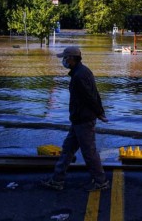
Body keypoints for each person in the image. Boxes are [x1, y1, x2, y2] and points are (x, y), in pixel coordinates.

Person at [42, 46, 109, 191]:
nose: (64, 61)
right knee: (67, 150)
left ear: (72, 58)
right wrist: (100, 111)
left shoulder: (79, 76)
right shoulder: (83, 72)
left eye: (65, 58)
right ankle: (57, 180)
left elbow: (89, 97)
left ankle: (101, 181)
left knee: (89, 152)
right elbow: (95, 94)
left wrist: (99, 113)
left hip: (83, 120)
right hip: (78, 119)